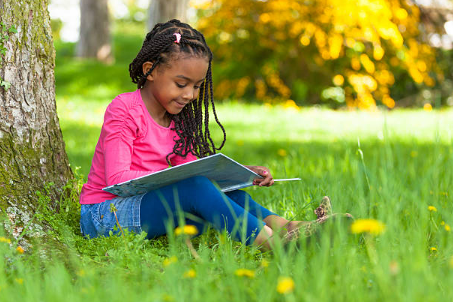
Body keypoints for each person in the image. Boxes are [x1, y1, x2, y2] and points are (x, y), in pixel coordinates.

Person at [79, 19, 334, 251]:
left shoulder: (179, 118)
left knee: (224, 192)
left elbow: (191, 169)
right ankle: (276, 246)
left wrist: (242, 172)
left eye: (197, 86)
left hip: (152, 207)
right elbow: (117, 177)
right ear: (151, 70)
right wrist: (184, 182)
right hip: (104, 214)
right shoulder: (124, 109)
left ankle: (288, 227)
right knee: (197, 187)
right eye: (181, 84)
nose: (190, 95)